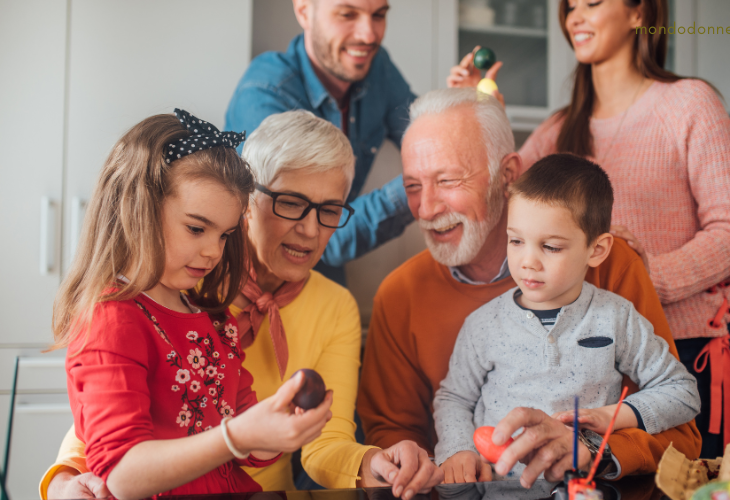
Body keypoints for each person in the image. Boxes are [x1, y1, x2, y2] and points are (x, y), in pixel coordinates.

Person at [41, 111, 442, 499]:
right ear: (249, 203)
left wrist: (370, 462)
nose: (310, 229)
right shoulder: (184, 281)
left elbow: (319, 442)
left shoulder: (220, 308)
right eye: (291, 203)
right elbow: (107, 421)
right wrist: (64, 477)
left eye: (329, 210)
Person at [357, 88, 701, 489]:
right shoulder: (399, 295)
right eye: (412, 186)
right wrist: (435, 462)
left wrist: (592, 448)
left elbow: (682, 434)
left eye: (448, 180)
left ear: (507, 175)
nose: (427, 207)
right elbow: (394, 438)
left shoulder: (612, 268)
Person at [513, 0, 730, 458]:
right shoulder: (558, 130)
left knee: (699, 483)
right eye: (569, 7)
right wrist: (479, 106)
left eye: (591, 3)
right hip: (600, 358)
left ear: (638, 13)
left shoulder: (690, 103)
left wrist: (645, 277)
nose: (575, 17)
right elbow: (502, 202)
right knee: (614, 482)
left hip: (691, 349)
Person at [433, 154, 701, 480]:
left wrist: (612, 417)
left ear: (597, 250)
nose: (528, 261)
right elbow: (454, 398)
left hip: (588, 488)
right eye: (516, 240)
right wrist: (457, 450)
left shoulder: (617, 317)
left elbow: (682, 392)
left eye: (551, 247)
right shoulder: (482, 325)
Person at [226, 0, 418, 284]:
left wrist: (456, 115)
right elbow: (328, 237)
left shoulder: (377, 67)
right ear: (304, 11)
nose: (368, 35)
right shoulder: (265, 92)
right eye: (347, 14)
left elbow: (423, 132)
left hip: (322, 270)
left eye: (378, 15)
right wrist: (420, 185)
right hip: (252, 277)